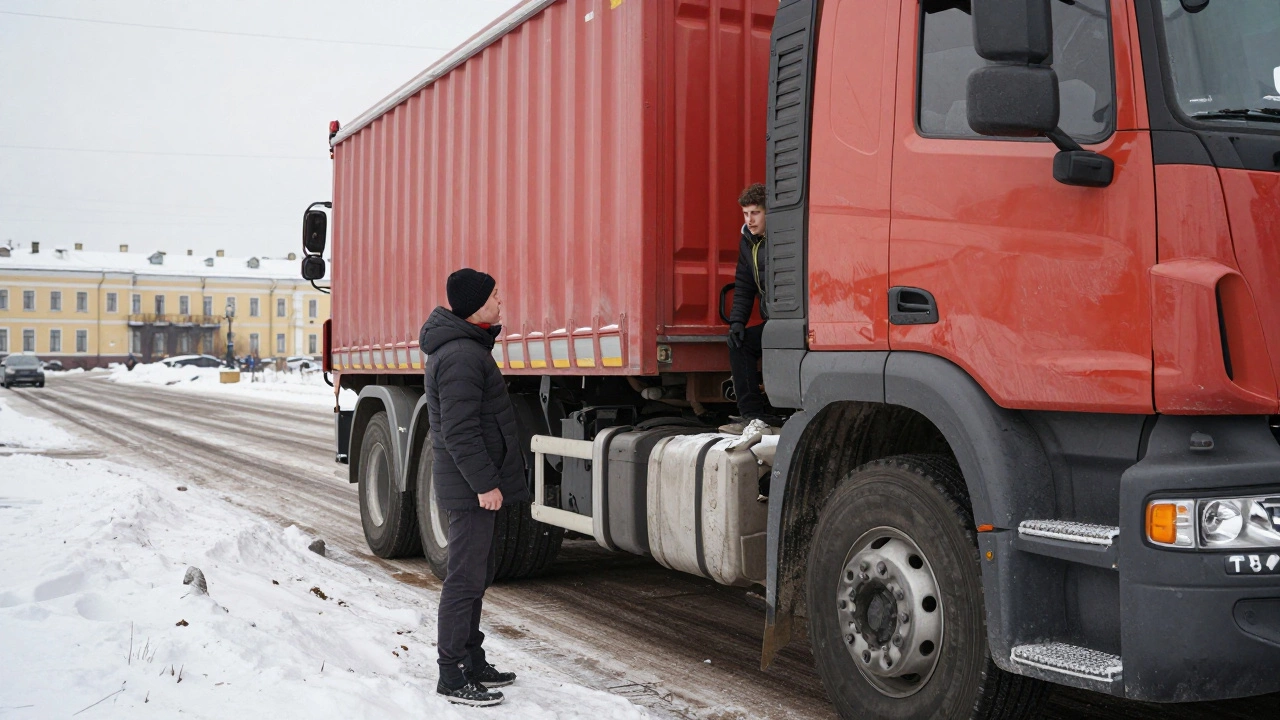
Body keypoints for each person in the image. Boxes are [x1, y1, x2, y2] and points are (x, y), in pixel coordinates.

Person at [420, 268, 530, 707]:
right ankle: (451, 675)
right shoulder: (463, 355)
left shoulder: (467, 348)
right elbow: (461, 432)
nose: (501, 302)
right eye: (495, 296)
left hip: (470, 483)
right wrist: (486, 483)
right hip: (469, 487)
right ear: (475, 304)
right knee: (464, 579)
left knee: (476, 575)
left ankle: (471, 658)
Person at [723, 183, 783, 436]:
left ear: (769, 212)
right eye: (746, 214)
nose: (750, 220)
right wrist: (737, 322)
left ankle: (775, 414)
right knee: (740, 343)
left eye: (755, 213)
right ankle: (753, 416)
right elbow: (744, 285)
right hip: (772, 321)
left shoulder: (782, 239)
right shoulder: (748, 241)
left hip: (793, 320)